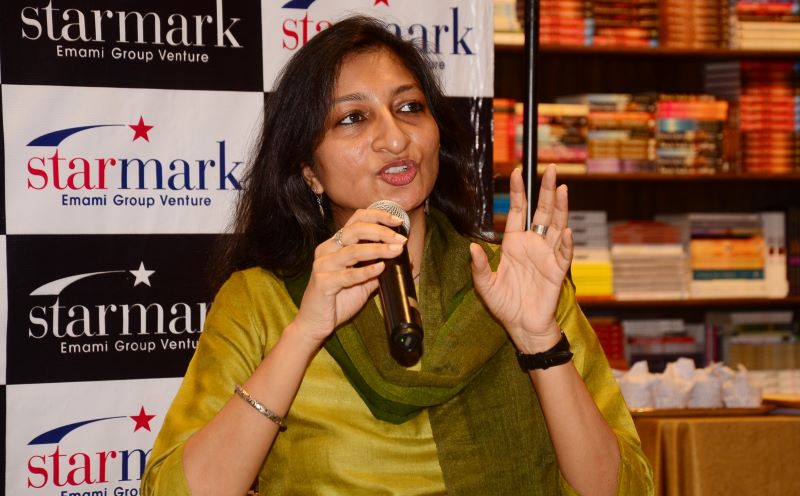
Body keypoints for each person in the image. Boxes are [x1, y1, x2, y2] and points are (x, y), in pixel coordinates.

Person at [142, 15, 653, 496]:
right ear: (309, 172)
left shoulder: (517, 281)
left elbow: (623, 486)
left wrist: (539, 342)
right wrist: (303, 335)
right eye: (353, 118)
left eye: (409, 108)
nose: (394, 137)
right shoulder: (261, 300)